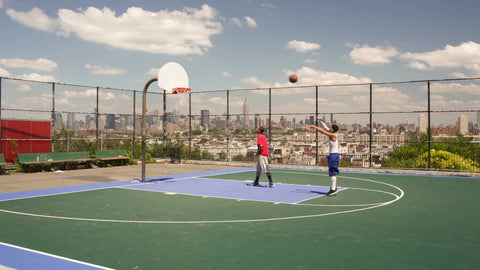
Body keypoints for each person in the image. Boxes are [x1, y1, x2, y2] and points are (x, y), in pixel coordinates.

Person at [309, 117, 339, 195]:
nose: (329, 128)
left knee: (332, 172)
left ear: (333, 130)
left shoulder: (333, 135)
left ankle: (333, 189)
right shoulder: (332, 133)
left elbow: (323, 131)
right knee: (333, 172)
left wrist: (314, 126)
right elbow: (325, 127)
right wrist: (320, 120)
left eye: (331, 127)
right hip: (333, 155)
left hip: (334, 156)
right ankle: (334, 188)